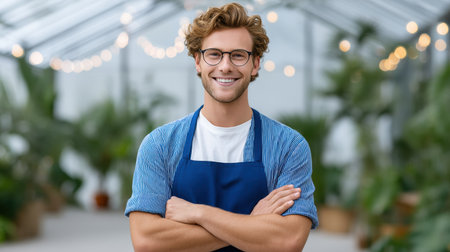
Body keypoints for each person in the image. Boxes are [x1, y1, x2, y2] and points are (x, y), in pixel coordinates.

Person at [125, 2, 318, 251]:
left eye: (238, 55)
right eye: (214, 54)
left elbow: (287, 241)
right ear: (198, 62)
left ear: (255, 64)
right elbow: (147, 241)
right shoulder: (160, 145)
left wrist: (198, 213)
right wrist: (252, 223)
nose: (225, 66)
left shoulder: (288, 147)